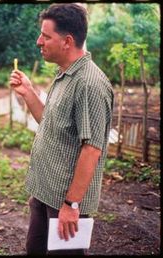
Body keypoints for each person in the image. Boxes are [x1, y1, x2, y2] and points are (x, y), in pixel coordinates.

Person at [10, 3, 114, 255]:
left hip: (65, 202)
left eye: (46, 36)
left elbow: (92, 150)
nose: (39, 42)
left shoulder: (89, 84)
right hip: (46, 191)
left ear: (67, 41)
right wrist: (28, 93)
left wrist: (71, 204)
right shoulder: (65, 73)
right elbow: (50, 121)